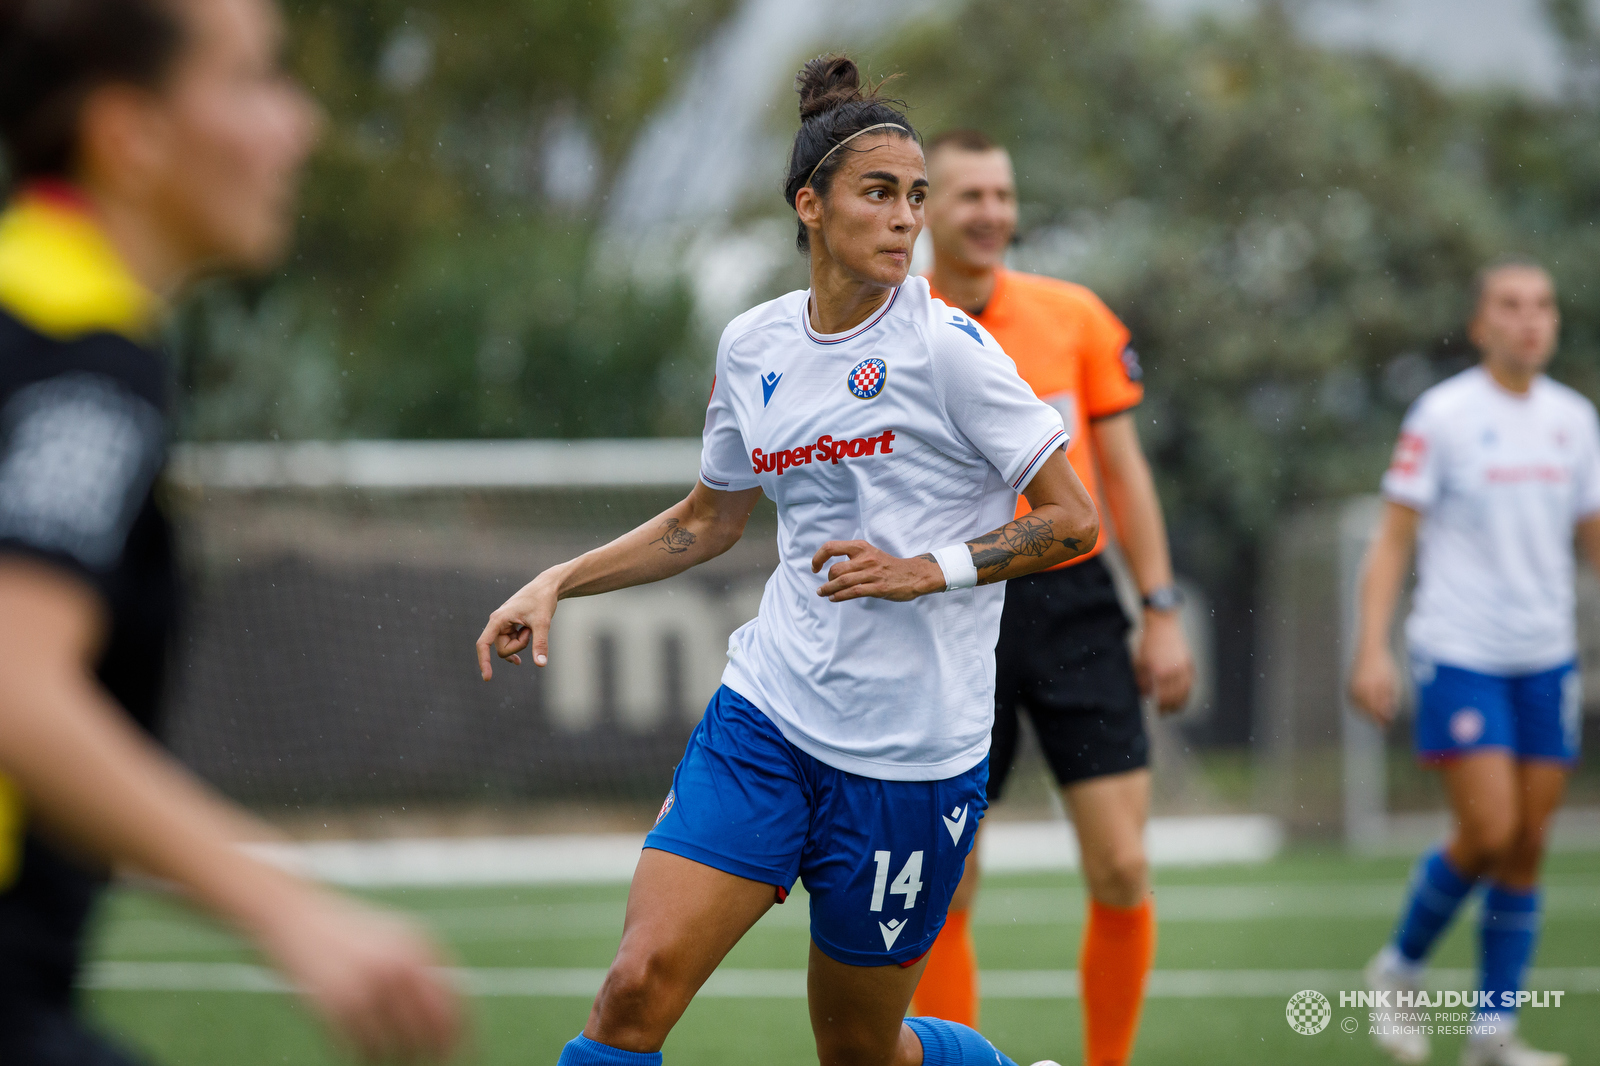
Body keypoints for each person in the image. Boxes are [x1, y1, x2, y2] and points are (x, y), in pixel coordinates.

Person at [477, 56, 1098, 1066]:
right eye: (878, 193)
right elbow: (704, 522)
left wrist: (920, 568)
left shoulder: (950, 351)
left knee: (860, 1052)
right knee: (632, 990)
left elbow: (1075, 522)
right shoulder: (753, 345)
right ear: (809, 205)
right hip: (767, 716)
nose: (905, 219)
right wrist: (558, 580)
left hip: (911, 759)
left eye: (915, 198)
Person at [0, 1, 463, 1062]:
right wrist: (291, 912)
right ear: (131, 136)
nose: (298, 125)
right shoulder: (79, 353)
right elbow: (16, 682)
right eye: (255, 80)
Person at [909, 129, 1194, 1066]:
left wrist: (1159, 609)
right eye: (968, 196)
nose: (990, 212)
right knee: (948, 883)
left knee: (1120, 863)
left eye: (1002, 193)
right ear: (925, 209)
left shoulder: (1075, 318)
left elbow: (1122, 473)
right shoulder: (894, 327)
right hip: (954, 611)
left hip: (1074, 610)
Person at [1350, 258, 1594, 1066]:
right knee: (1488, 829)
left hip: (1546, 658)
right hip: (1460, 652)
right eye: (1511, 306)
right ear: (1481, 323)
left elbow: (1591, 542)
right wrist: (1371, 647)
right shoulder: (1444, 414)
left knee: (1527, 840)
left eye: (1542, 306)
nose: (1530, 320)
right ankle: (1399, 967)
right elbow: (1392, 541)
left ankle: (1492, 1034)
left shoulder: (1574, 420)